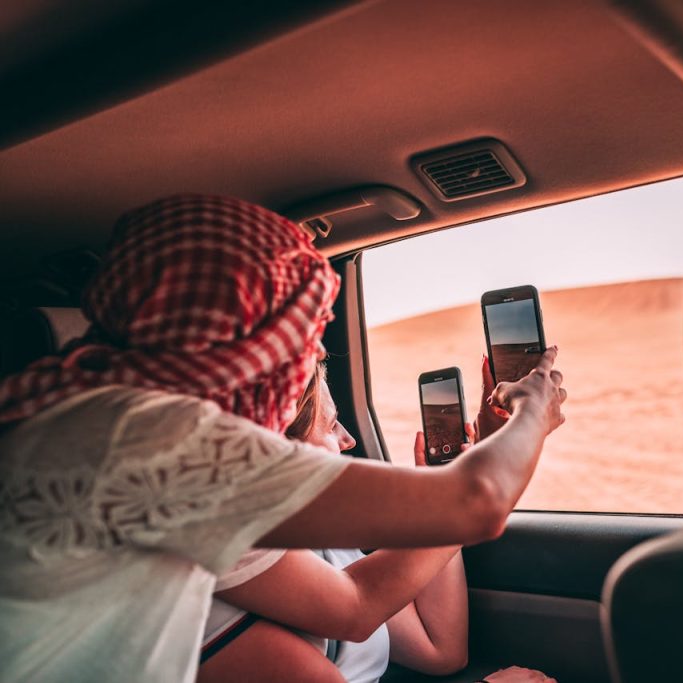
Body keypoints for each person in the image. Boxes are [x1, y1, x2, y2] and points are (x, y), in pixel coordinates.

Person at [0, 194, 566, 683]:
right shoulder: (149, 439)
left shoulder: (79, 413)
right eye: (299, 346)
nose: (300, 373)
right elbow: (475, 503)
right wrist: (531, 409)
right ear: (242, 343)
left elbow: (369, 604)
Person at [199, 362, 556, 683]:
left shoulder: (322, 545)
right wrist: (532, 415)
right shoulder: (215, 549)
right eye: (329, 424)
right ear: (281, 448)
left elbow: (438, 649)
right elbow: (357, 606)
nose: (348, 439)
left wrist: (444, 494)